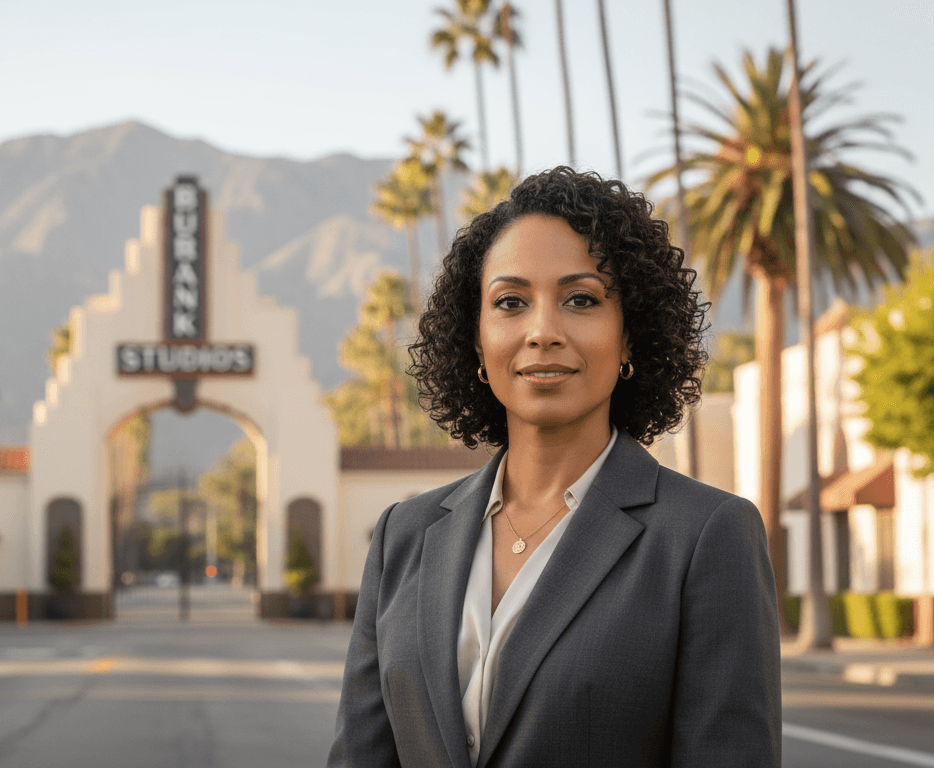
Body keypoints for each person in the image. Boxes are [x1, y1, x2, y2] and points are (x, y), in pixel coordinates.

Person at [328, 167, 781, 768]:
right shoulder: (402, 538)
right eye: (511, 302)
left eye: (582, 299)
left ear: (629, 339)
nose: (543, 331)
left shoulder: (706, 537)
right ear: (477, 343)